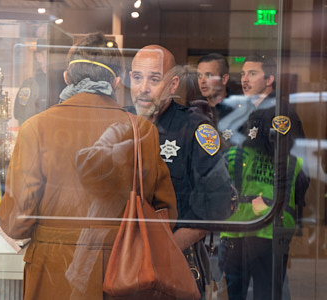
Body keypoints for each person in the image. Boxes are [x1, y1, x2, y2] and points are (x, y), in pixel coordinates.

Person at [0, 33, 177, 300]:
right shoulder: (141, 131)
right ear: (117, 82)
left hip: (54, 271)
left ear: (67, 78)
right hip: (123, 274)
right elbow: (167, 213)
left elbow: (16, 222)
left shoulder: (35, 128)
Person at [127, 45, 234, 298]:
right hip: (122, 265)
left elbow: (219, 206)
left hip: (177, 263)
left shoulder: (195, 129)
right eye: (138, 78)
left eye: (155, 79)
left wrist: (163, 250)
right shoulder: (119, 125)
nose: (144, 88)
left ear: (173, 85)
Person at [218, 54, 310, 300]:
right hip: (240, 222)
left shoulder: (279, 115)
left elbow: (290, 166)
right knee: (235, 292)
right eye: (244, 74)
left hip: (266, 223)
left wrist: (274, 205)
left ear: (270, 79)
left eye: (253, 74)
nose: (245, 79)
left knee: (265, 293)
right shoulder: (243, 112)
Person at [197, 53, 232, 125]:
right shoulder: (193, 110)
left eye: (209, 75)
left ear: (224, 79)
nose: (202, 81)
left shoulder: (239, 108)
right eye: (199, 75)